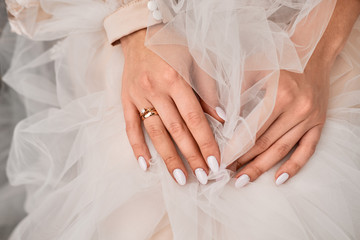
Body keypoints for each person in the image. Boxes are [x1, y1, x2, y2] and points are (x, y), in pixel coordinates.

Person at [1, 0, 360, 239]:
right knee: (138, 182)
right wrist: (136, 26)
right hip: (142, 20)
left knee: (286, 199)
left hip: (315, 18)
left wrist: (315, 48)